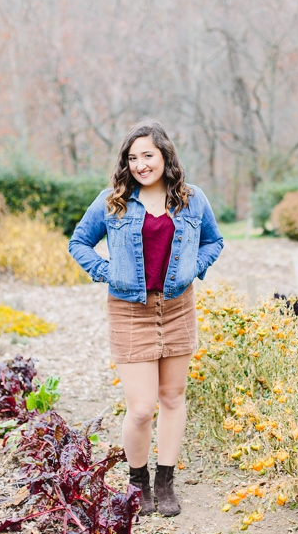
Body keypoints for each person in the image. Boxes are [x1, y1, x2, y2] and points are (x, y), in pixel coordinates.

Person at [68, 120, 223, 517]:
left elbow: (214, 240)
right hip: (129, 310)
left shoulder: (193, 200)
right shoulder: (112, 200)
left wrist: (192, 268)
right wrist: (107, 272)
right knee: (140, 408)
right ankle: (138, 481)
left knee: (172, 398)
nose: (140, 164)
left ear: (165, 156)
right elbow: (79, 242)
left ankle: (165, 481)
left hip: (177, 307)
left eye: (147, 156)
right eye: (132, 158)